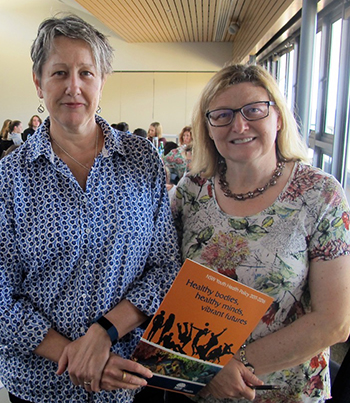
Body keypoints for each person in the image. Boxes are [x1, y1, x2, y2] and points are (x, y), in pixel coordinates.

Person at [0, 14, 181, 403]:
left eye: (86, 72)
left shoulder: (142, 159)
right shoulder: (11, 176)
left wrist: (104, 333)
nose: (73, 87)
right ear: (38, 82)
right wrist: (75, 356)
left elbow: (165, 267)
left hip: (127, 379)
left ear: (101, 81)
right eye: (59, 72)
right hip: (39, 384)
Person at [171, 64, 350, 402]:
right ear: (208, 128)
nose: (239, 125)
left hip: (286, 392)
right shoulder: (190, 192)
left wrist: (231, 365)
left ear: (278, 118)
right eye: (222, 115)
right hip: (202, 391)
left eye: (254, 110)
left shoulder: (319, 194)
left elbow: (334, 321)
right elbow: (166, 282)